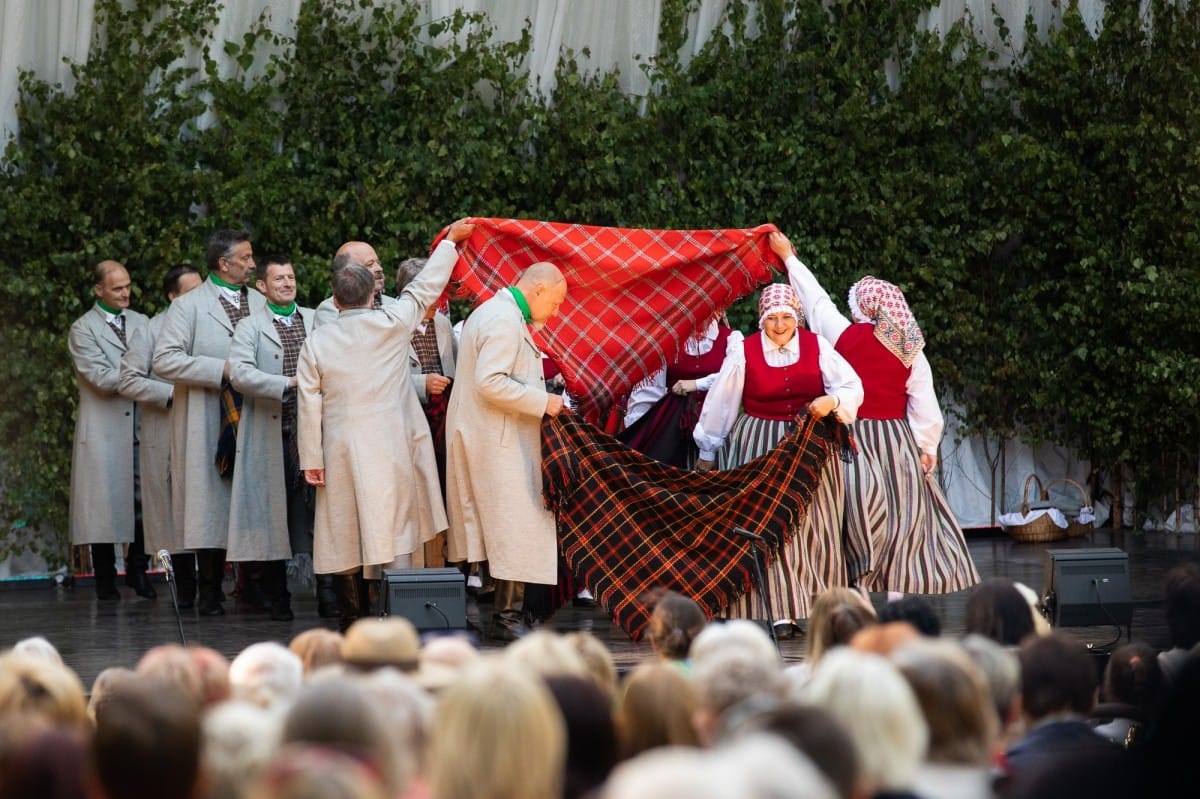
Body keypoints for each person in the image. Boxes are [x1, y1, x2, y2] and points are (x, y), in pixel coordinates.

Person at [776, 232, 979, 601]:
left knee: (853, 513)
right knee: (903, 514)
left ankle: (860, 593)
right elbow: (923, 401)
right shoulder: (910, 349)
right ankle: (899, 594)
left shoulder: (843, 335)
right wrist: (927, 446)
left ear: (861, 306)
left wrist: (789, 258)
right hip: (896, 440)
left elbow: (816, 301)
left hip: (850, 438)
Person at [299, 219, 474, 630]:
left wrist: (311, 458)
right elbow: (426, 287)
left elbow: (308, 402)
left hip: (338, 447)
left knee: (342, 531)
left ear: (336, 303)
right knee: (395, 529)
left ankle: (350, 618)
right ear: (372, 292)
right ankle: (394, 615)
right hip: (390, 445)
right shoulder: (394, 323)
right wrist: (449, 242)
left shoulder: (317, 340)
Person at [693, 282, 864, 634]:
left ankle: (819, 607)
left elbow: (851, 386)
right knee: (763, 525)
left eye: (787, 317)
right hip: (760, 446)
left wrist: (831, 402)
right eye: (773, 318)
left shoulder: (817, 346)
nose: (781, 325)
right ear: (762, 320)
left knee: (814, 525)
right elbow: (722, 402)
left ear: (797, 318)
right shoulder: (745, 351)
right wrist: (707, 450)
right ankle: (775, 612)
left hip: (809, 450)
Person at [445, 260, 569, 642]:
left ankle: (480, 618)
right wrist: (543, 400)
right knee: (512, 527)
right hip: (495, 440)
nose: (557, 311)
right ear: (538, 291)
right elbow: (490, 382)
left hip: (487, 435)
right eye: (556, 302)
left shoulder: (497, 312)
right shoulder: (503, 319)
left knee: (480, 528)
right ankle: (506, 620)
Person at [154, 228, 267, 616]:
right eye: (247, 258)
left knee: (253, 499)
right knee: (211, 504)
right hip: (208, 413)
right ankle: (209, 593)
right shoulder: (187, 306)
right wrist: (220, 369)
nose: (253, 264)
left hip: (255, 411)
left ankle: (256, 588)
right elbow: (164, 360)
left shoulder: (260, 299)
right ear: (224, 263)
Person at [228, 255, 332, 621]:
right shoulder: (249, 326)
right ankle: (278, 599)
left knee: (322, 511)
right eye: (278, 279)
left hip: (316, 431)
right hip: (272, 431)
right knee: (274, 516)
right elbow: (239, 373)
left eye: (291, 277)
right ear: (262, 286)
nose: (287, 283)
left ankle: (329, 594)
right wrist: (284, 383)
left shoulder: (316, 317)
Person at [68, 259, 155, 600]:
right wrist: (139, 373)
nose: (125, 293)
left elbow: (159, 363)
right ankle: (105, 579)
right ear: (98, 290)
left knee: (145, 503)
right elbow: (101, 380)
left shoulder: (142, 322)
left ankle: (138, 569)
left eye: (128, 286)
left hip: (140, 424)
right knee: (102, 508)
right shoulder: (83, 329)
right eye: (117, 288)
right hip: (104, 430)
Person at [119, 265, 203, 607]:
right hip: (167, 432)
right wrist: (170, 393)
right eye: (189, 291)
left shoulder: (206, 324)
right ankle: (185, 593)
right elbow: (128, 380)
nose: (198, 298)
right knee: (173, 517)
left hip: (206, 432)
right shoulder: (151, 330)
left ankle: (216, 590)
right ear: (172, 296)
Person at [395, 255, 457, 568]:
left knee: (444, 498)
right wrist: (421, 383)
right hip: (405, 426)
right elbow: (376, 376)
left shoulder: (444, 324)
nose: (438, 301)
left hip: (442, 425)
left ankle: (442, 570)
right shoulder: (389, 322)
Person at [621, 311, 733, 468]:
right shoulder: (667, 339)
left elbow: (734, 377)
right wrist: (638, 435)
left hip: (717, 429)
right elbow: (649, 392)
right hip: (674, 430)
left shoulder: (732, 338)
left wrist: (697, 384)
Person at [312, 240, 396, 326]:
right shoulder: (329, 310)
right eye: (370, 264)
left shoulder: (394, 303)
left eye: (378, 263)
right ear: (348, 272)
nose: (379, 268)